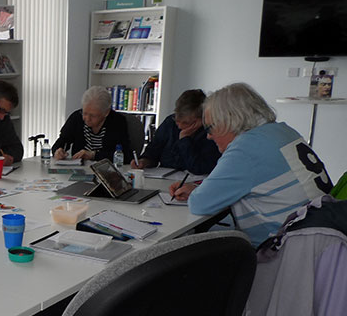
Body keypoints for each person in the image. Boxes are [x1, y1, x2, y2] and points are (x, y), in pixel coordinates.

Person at [169, 82, 333, 247]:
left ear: (229, 121)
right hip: (322, 239)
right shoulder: (283, 131)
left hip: (285, 250)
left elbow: (199, 204)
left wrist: (199, 192)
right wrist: (199, 188)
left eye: (210, 128)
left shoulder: (246, 147)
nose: (209, 137)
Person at [130, 89, 220, 175]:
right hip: (163, 179)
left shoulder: (210, 132)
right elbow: (153, 152)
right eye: (177, 120)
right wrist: (144, 161)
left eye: (185, 123)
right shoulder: (170, 122)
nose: (179, 126)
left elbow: (199, 168)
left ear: (200, 120)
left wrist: (184, 139)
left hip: (191, 183)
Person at [51, 86, 130, 162]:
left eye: (93, 115)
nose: (87, 119)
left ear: (106, 113)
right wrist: (57, 151)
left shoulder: (118, 122)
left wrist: (93, 155)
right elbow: (61, 141)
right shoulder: (76, 117)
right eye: (85, 113)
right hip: (79, 170)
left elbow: (126, 156)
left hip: (106, 171)